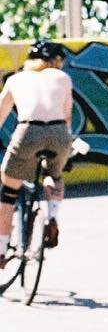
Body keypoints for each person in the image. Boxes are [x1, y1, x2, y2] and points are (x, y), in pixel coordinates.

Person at [0, 41, 75, 256]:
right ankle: (52, 217)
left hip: (28, 130)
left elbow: (1, 112)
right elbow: (67, 115)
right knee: (54, 174)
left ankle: (2, 249)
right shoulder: (63, 78)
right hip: (59, 131)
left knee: (9, 190)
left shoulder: (16, 79)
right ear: (52, 61)